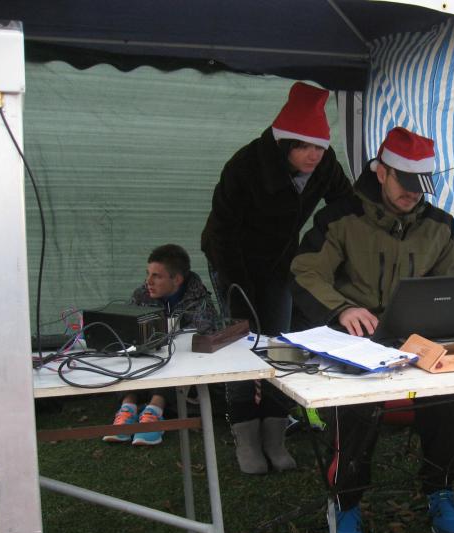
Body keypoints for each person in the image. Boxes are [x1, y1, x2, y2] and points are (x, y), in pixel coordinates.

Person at [290, 126, 454, 533]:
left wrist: (441, 317)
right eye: (404, 183)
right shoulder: (339, 218)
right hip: (355, 339)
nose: (413, 194)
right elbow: (305, 270)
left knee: (451, 395)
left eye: (420, 185)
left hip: (416, 339)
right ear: (381, 172)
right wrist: (341, 308)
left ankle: (440, 488)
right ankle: (346, 502)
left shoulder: (438, 225)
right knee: (357, 404)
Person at [201, 81, 354, 474]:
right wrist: (239, 292)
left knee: (280, 343)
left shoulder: (325, 166)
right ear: (284, 144)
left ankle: (274, 433)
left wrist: (318, 247)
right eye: (304, 147)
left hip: (281, 262)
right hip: (231, 258)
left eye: (320, 147)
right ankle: (246, 437)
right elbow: (223, 232)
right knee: (243, 342)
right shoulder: (245, 165)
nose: (314, 155)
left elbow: (345, 206)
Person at [102, 244, 218, 446]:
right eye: (148, 274)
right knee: (128, 354)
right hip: (145, 360)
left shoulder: (198, 299)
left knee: (175, 360)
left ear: (177, 279)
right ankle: (127, 408)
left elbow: (207, 332)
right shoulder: (141, 295)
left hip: (177, 364)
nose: (148, 281)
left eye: (156, 276)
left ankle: (154, 411)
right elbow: (126, 331)